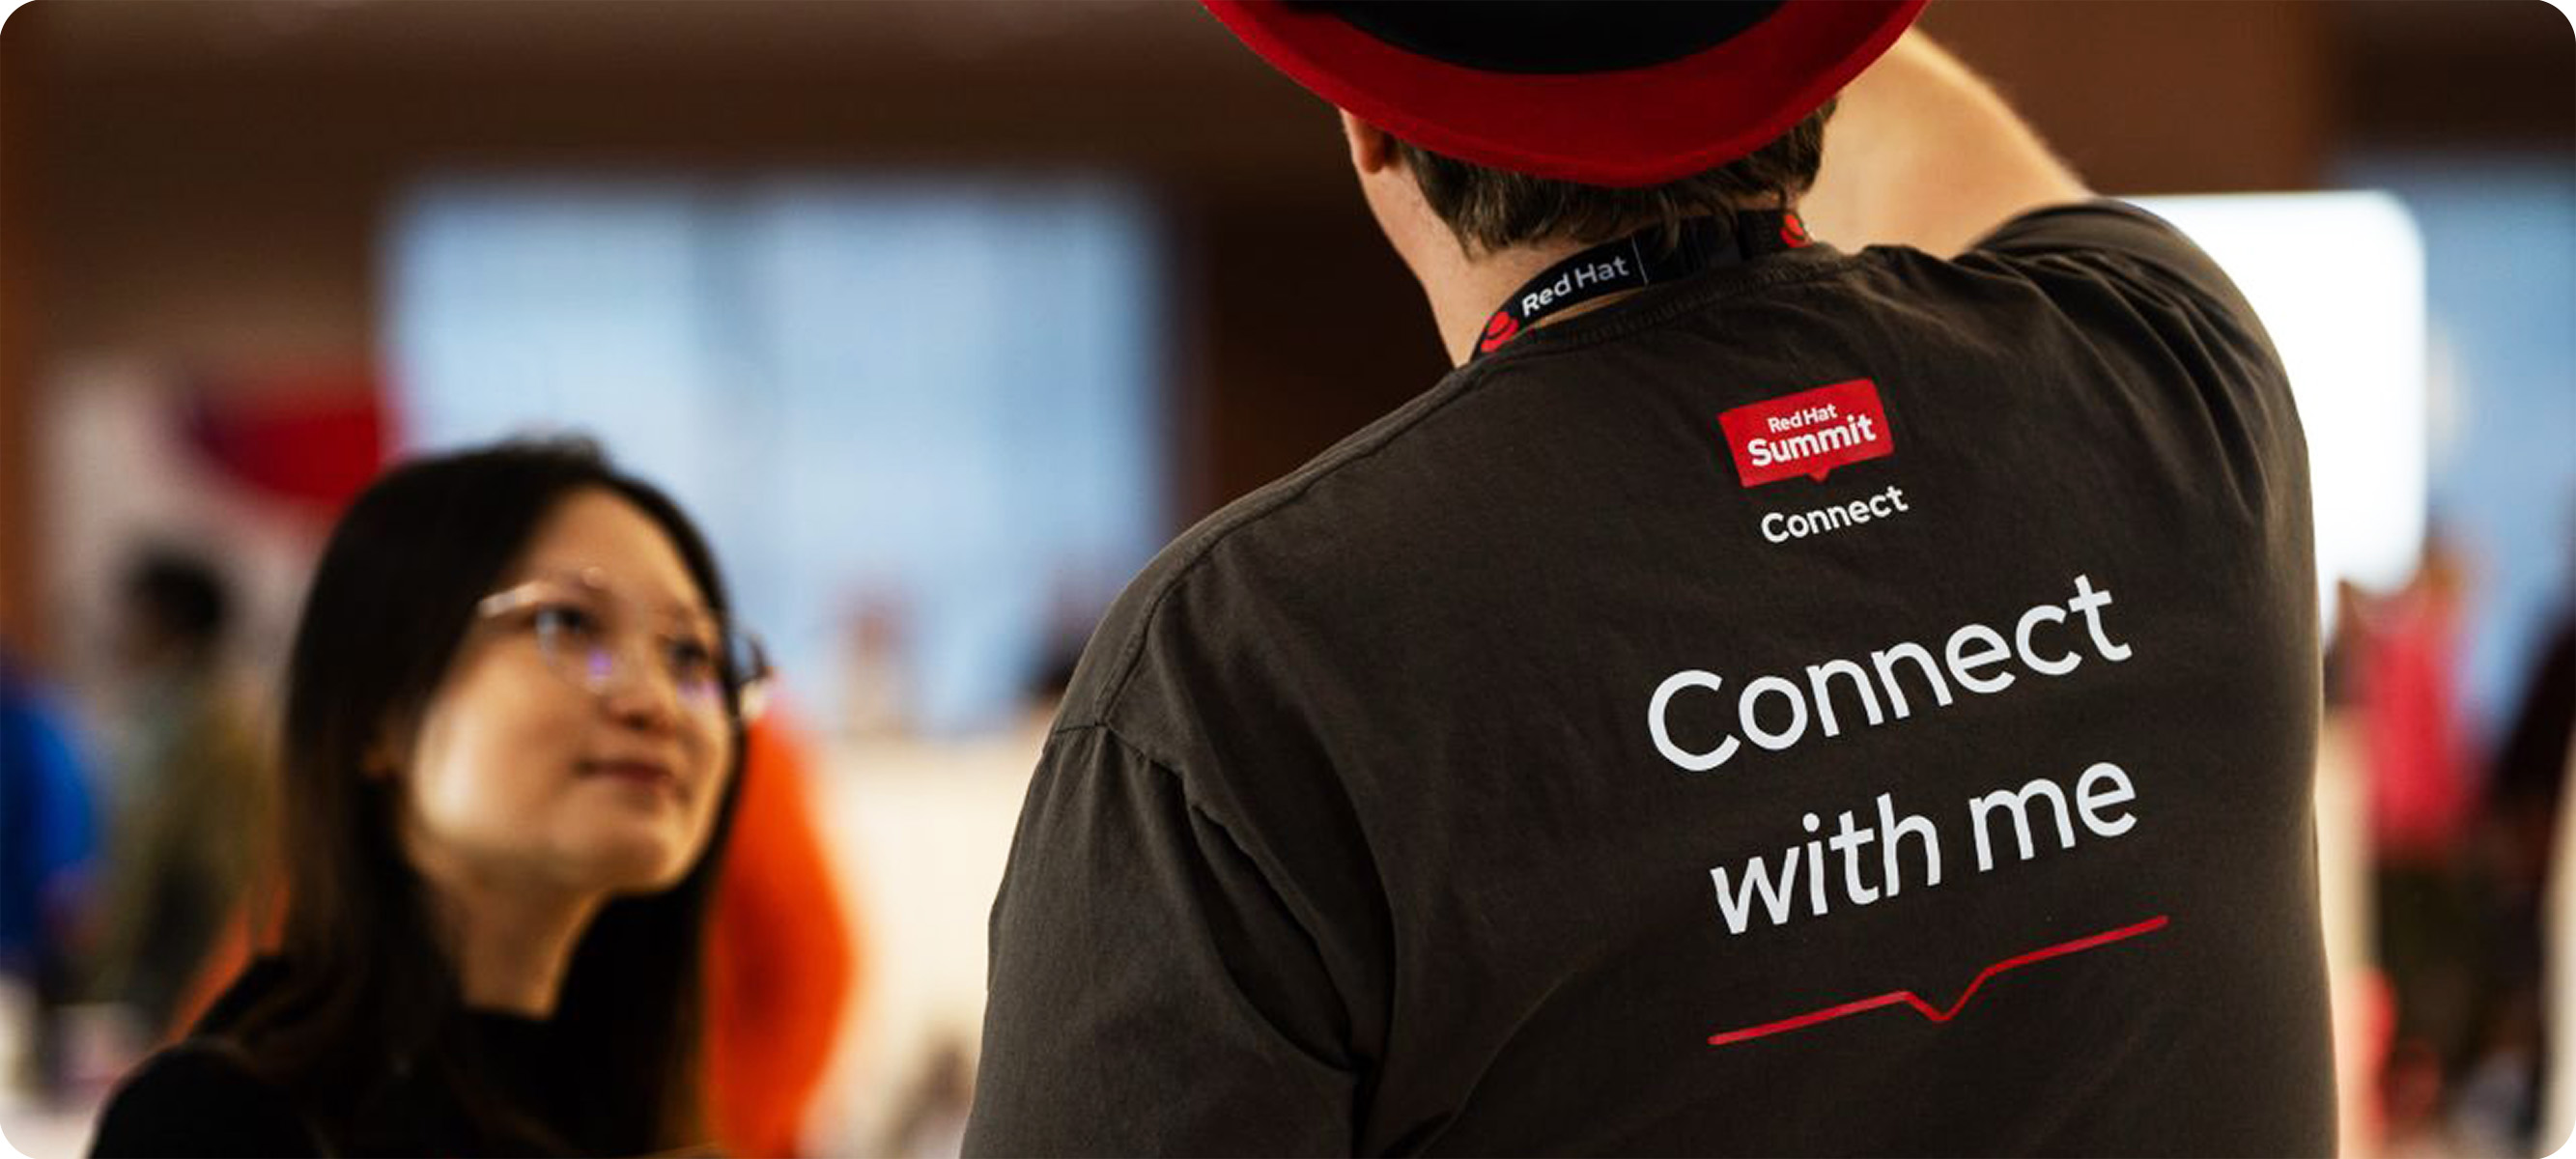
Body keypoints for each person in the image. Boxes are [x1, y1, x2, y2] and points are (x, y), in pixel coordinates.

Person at [969, 4, 2334, 1154]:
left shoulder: (1244, 684)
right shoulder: (2168, 387)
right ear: (1816, 59)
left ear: (1364, 123)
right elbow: (1947, 152)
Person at [89, 438, 771, 1157]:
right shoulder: (219, 1123)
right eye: (567, 623)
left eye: (690, 654)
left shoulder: (633, 1114)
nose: (655, 702)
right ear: (379, 709)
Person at [90, 549, 271, 1033]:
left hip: (196, 958)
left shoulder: (185, 723)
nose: (117, 631)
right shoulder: (235, 705)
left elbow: (143, 861)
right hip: (240, 946)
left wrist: (99, 978)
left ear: (163, 620)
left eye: (130, 614)